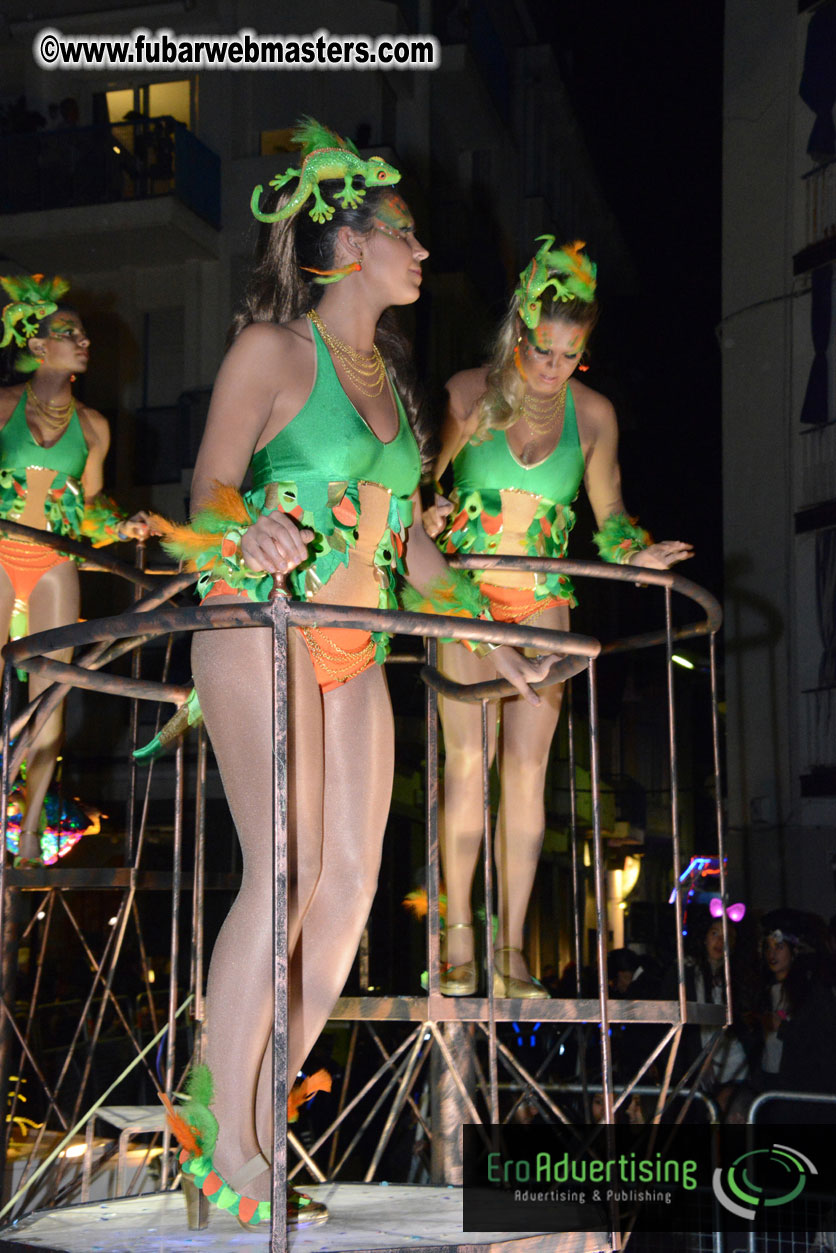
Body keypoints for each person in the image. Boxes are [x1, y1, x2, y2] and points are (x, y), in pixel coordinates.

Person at [155, 120, 554, 1232]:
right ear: (345, 244)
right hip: (262, 620)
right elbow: (213, 487)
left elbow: (410, 549)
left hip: (355, 640)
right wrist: (254, 530)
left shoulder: (392, 382)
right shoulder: (272, 350)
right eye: (406, 236)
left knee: (347, 889)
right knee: (277, 875)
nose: (422, 255)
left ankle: (241, 1102)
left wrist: (496, 632)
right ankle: (226, 1145)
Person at [424, 238, 693, 998]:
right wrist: (432, 508)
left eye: (570, 354)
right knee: (466, 767)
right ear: (519, 331)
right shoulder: (470, 393)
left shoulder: (595, 414)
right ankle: (456, 940)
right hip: (468, 601)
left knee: (528, 773)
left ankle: (509, 948)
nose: (554, 366)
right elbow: (417, 486)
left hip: (542, 602)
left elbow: (609, 518)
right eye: (544, 349)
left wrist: (634, 552)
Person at [0, 274, 149, 866]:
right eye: (69, 333)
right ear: (38, 347)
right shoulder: (3, 405)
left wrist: (121, 526)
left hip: (54, 560)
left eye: (84, 334)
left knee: (51, 694)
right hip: (3, 549)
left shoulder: (93, 426)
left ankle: (30, 830)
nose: (82, 341)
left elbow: (89, 510)